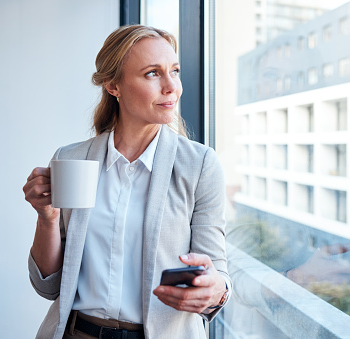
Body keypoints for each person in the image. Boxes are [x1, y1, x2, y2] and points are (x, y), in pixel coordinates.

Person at [23, 25, 230, 339]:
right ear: (113, 85)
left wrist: (216, 289)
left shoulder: (200, 166)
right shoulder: (72, 159)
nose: (171, 86)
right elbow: (48, 286)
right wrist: (47, 218)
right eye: (152, 73)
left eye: (174, 71)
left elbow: (217, 276)